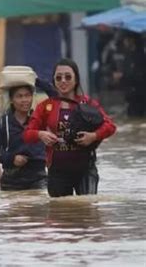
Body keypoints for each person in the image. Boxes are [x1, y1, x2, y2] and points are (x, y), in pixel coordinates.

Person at [23, 59, 116, 197]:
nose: (63, 81)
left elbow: (110, 126)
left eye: (68, 77)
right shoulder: (45, 107)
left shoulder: (88, 103)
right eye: (58, 77)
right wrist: (40, 134)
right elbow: (27, 135)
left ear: (76, 79)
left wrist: (93, 136)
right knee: (60, 213)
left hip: (85, 170)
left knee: (87, 211)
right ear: (53, 81)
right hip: (57, 171)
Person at [0, 85, 47, 191]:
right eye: (19, 96)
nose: (24, 100)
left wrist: (37, 81)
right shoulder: (2, 123)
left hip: (38, 178)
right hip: (11, 181)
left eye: (27, 95)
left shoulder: (40, 120)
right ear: (11, 100)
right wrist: (10, 158)